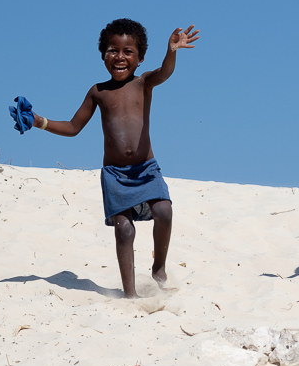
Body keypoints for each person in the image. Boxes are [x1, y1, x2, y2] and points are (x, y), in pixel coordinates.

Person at [29, 18, 198, 298]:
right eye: (112, 50)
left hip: (146, 170)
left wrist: (172, 51)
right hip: (115, 175)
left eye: (128, 51)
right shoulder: (98, 92)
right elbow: (73, 128)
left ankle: (158, 267)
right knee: (123, 229)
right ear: (103, 55)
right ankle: (130, 294)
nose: (120, 57)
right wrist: (39, 121)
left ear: (140, 57)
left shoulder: (144, 83)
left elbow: (165, 73)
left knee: (164, 211)